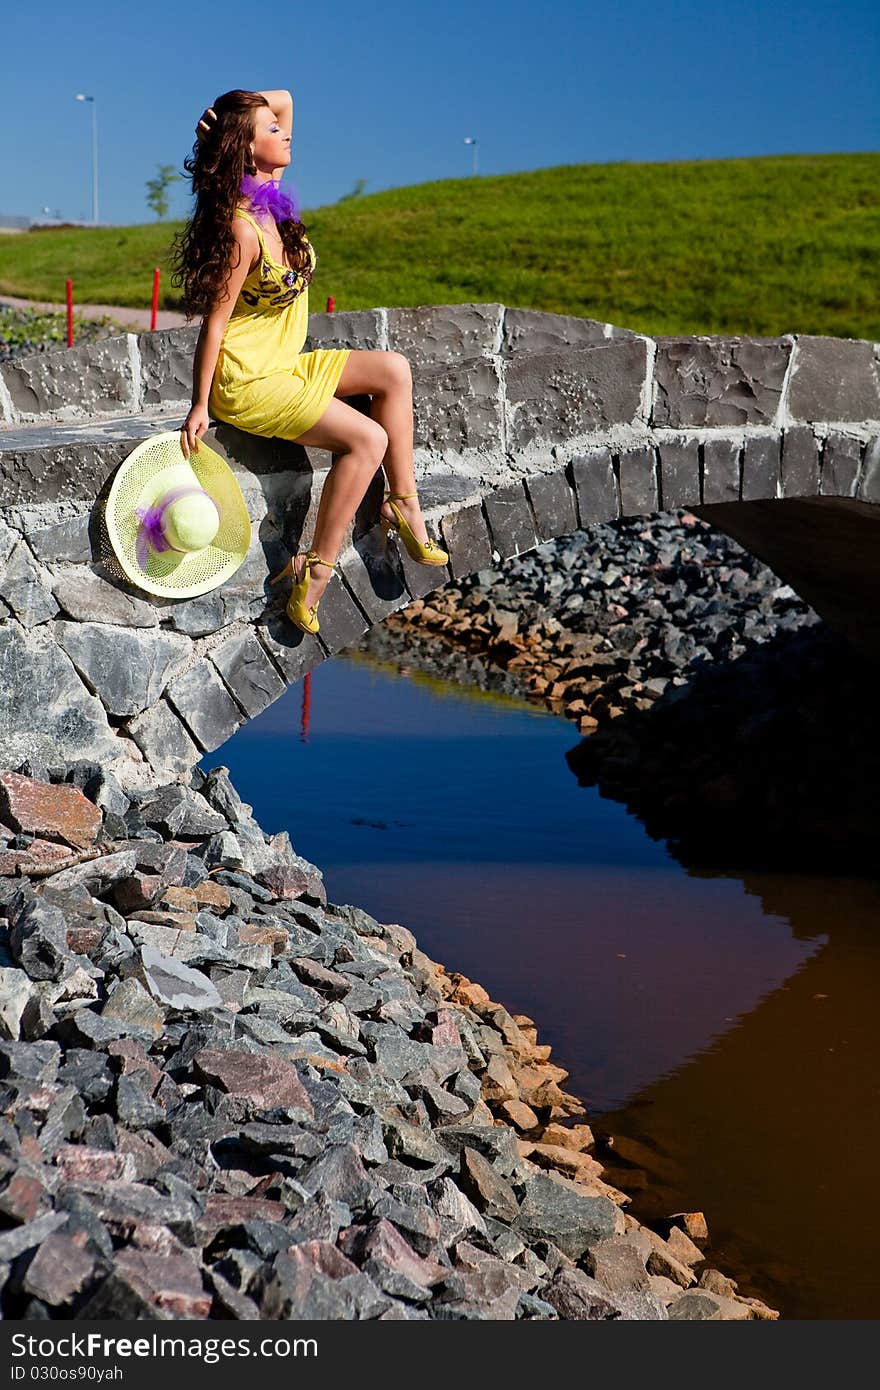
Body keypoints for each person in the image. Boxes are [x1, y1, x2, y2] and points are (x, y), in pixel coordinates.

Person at [171, 87, 447, 635]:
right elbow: (216, 323)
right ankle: (316, 575)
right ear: (247, 152)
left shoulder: (272, 197)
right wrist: (201, 403)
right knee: (368, 439)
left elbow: (285, 98)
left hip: (286, 364)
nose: (286, 133)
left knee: (394, 369)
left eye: (280, 127)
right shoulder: (240, 229)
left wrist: (228, 117)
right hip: (247, 380)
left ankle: (403, 506)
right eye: (271, 131)